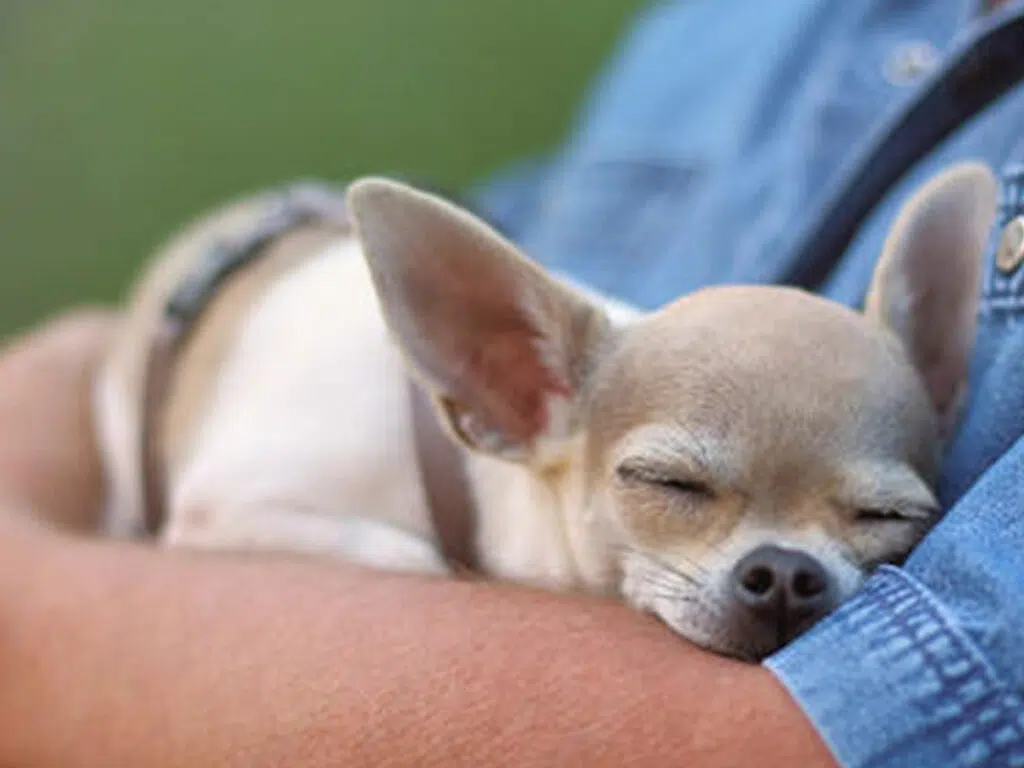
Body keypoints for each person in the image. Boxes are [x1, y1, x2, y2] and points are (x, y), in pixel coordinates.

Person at [2, 1, 1023, 766]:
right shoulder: (732, 25)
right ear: (506, 384)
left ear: (942, 378)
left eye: (876, 515)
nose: (784, 577)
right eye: (676, 487)